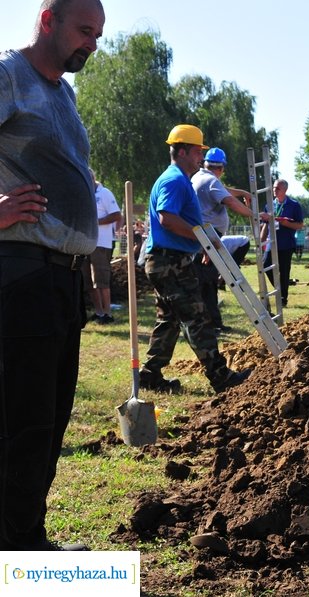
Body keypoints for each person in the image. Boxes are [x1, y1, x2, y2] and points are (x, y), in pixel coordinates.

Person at [0, 0, 104, 551]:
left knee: (50, 421)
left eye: (97, 34)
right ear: (47, 21)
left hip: (62, 281)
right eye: (84, 30)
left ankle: (26, 542)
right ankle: (18, 554)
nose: (92, 43)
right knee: (25, 422)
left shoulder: (63, 92)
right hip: (21, 274)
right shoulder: (7, 76)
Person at [139, 124, 250, 394]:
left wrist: (198, 245)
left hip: (168, 260)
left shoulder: (179, 178)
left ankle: (150, 374)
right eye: (198, 151)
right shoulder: (174, 180)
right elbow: (167, 218)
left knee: (170, 321)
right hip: (170, 263)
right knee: (198, 318)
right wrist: (201, 238)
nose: (202, 157)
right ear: (185, 151)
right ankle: (221, 376)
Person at [192, 147, 264, 329]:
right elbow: (230, 201)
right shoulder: (210, 181)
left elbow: (223, 190)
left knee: (207, 282)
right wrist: (256, 215)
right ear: (221, 168)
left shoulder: (201, 177)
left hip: (204, 236)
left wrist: (243, 193)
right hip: (208, 237)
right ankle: (209, 324)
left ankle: (213, 323)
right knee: (206, 282)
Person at [84, 168, 121, 324]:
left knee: (101, 280)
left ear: (92, 178)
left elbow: (116, 215)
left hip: (101, 243)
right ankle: (98, 312)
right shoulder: (85, 194)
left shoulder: (104, 193)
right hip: (85, 243)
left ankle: (107, 312)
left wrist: (95, 223)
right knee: (88, 279)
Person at [261, 179, 303, 307]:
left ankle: (283, 298)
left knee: (284, 271)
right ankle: (279, 289)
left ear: (285, 190)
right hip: (271, 243)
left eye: (277, 188)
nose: (274, 190)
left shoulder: (294, 205)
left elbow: (299, 225)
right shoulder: (269, 205)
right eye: (274, 187)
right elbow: (265, 224)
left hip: (286, 244)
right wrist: (262, 239)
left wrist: (286, 223)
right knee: (265, 265)